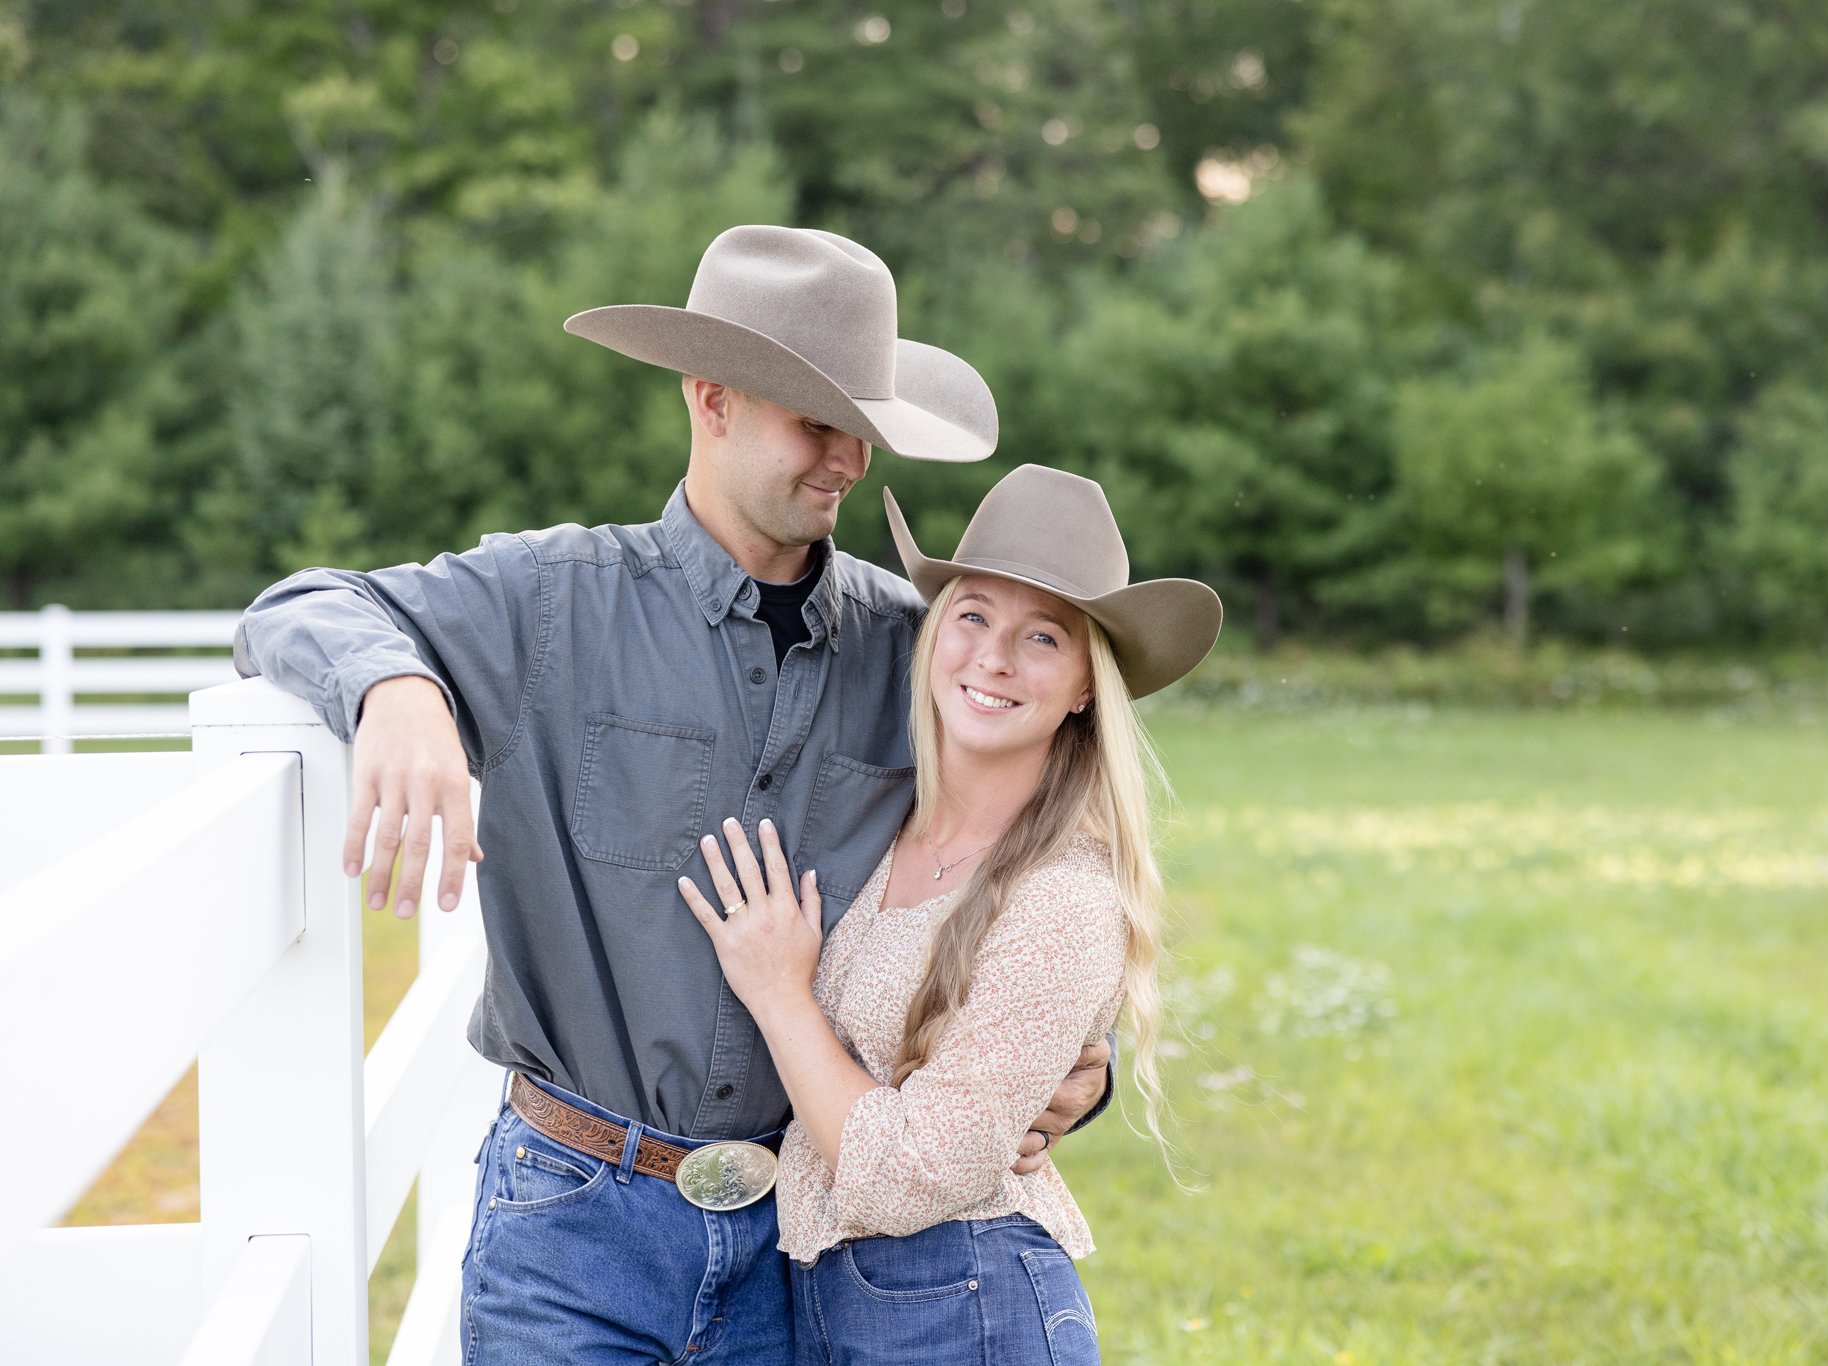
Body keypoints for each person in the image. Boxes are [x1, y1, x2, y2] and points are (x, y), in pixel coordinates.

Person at [233, 226, 1111, 1363]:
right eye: (814, 422)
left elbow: (1028, 848)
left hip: (788, 1251)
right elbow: (298, 604)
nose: (846, 458)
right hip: (570, 1229)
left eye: (861, 428)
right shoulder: (553, 601)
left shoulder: (915, 648)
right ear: (711, 400)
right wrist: (398, 688)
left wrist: (1071, 1068)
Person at [679, 465, 1222, 1364]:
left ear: (1087, 685)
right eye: (972, 615)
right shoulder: (874, 829)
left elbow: (905, 1179)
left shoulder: (1063, 898)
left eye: (1043, 637)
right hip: (827, 1310)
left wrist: (780, 992)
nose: (995, 658)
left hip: (969, 1315)